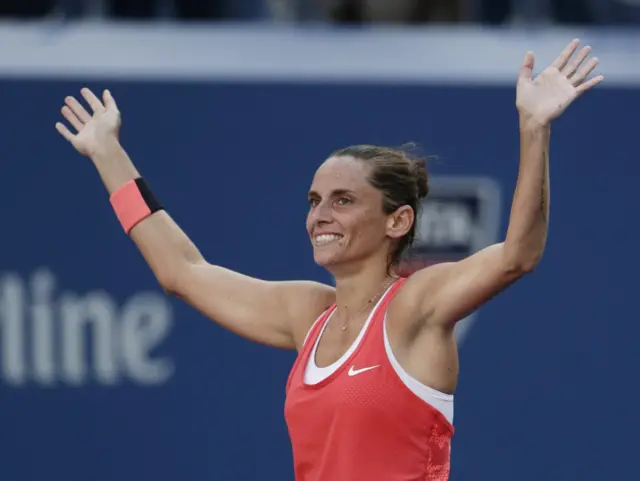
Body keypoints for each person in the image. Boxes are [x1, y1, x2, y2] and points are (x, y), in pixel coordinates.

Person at [55, 39, 602, 481]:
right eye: (314, 201)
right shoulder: (307, 316)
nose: (320, 216)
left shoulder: (414, 309)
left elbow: (516, 256)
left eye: (343, 201)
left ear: (398, 221)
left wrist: (534, 130)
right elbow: (183, 273)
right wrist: (108, 153)